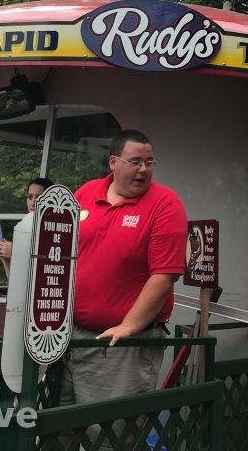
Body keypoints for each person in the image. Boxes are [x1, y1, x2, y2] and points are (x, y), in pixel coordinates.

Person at [61, 129, 187, 405]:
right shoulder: (86, 192)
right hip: (69, 337)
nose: (143, 169)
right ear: (113, 163)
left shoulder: (165, 204)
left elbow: (164, 276)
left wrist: (128, 326)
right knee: (61, 424)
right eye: (135, 162)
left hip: (120, 345)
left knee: (109, 427)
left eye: (149, 162)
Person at [0, 177, 54, 275]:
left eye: (39, 198)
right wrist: (5, 258)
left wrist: (15, 251)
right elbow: (15, 278)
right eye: (30, 197)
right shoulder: (23, 225)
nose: (33, 203)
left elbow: (48, 266)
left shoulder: (56, 228)